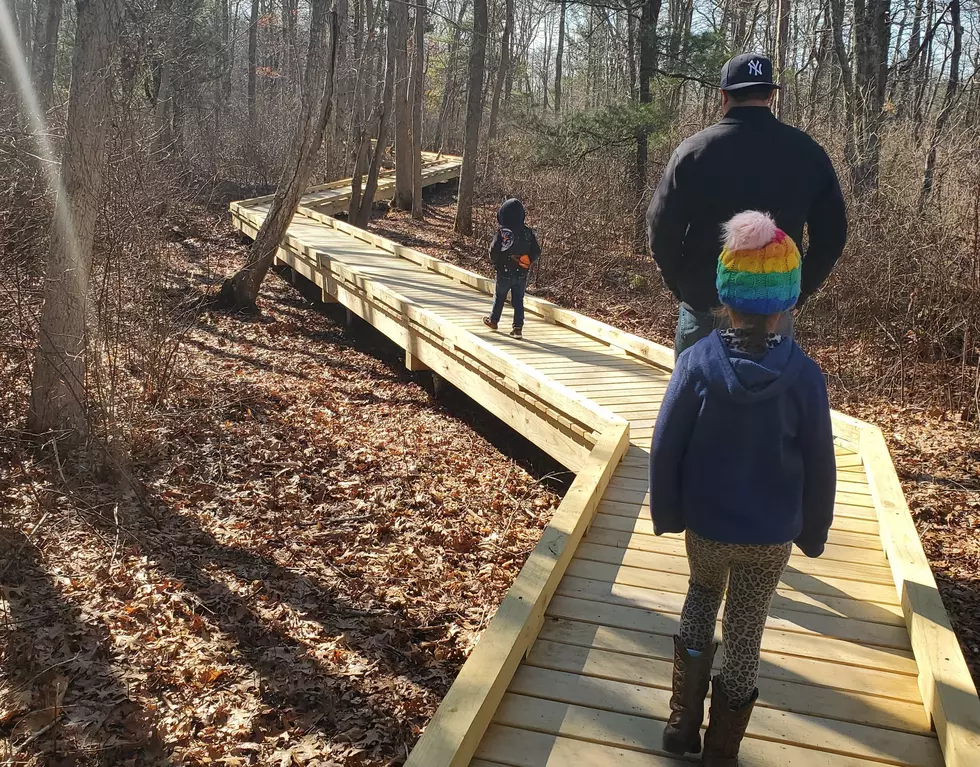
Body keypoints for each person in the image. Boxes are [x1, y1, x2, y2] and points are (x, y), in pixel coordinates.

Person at [648, 211, 836, 766]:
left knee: (701, 598)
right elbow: (821, 463)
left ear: (723, 297)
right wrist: (813, 530)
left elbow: (664, 445)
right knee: (747, 627)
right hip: (770, 535)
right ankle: (722, 750)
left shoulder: (696, 364)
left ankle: (681, 727)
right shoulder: (804, 377)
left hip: (707, 525)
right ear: (788, 303)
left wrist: (668, 511)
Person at [646, 52, 847, 359]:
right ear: (770, 95)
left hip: (704, 304)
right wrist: (794, 291)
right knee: (767, 401)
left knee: (697, 400)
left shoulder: (693, 152)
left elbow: (660, 229)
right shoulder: (808, 153)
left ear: (723, 96)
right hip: (772, 315)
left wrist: (686, 288)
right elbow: (832, 236)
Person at [483, 198, 540, 339]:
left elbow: (493, 250)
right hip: (521, 273)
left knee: (500, 296)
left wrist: (495, 262)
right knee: (518, 300)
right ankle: (518, 328)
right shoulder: (528, 232)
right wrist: (528, 259)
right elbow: (536, 250)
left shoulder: (502, 232)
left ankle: (494, 320)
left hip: (504, 271)